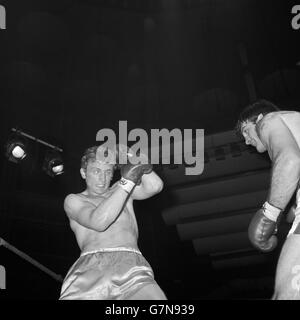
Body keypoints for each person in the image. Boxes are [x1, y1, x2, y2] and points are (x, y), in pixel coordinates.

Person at [59, 145, 167, 300]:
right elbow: (99, 222)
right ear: (84, 173)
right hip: (91, 269)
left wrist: (131, 155)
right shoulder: (74, 200)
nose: (102, 178)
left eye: (108, 172)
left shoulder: (121, 190)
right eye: (96, 171)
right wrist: (127, 182)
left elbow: (155, 186)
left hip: (131, 265)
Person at [236, 99, 300, 300]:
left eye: (246, 130)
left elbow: (290, 160)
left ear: (260, 118)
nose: (247, 141)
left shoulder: (269, 121)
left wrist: (270, 214)